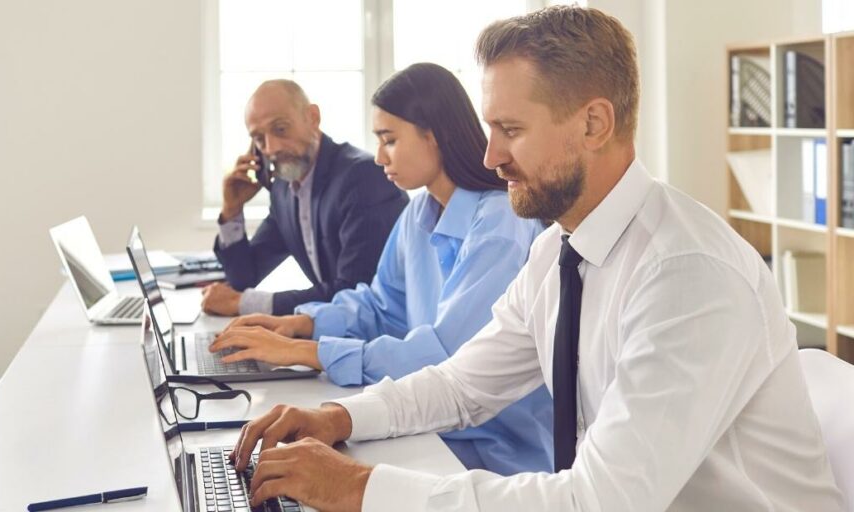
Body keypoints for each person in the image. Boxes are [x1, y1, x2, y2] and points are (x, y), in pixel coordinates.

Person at [225, 6, 846, 512]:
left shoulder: (687, 274)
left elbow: (601, 501)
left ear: (594, 123)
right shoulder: (560, 250)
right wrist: (335, 417)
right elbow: (462, 384)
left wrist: (359, 488)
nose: (490, 156)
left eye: (511, 130)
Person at [210, 63, 553, 476]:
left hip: (493, 449)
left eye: (389, 140)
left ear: (435, 135)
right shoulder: (419, 213)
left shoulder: (500, 224)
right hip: (426, 426)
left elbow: (448, 359)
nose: (378, 156)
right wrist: (300, 324)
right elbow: (380, 306)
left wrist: (311, 352)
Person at [203, 80, 408, 317]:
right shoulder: (283, 188)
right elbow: (244, 278)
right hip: (337, 332)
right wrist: (232, 209)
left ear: (312, 117)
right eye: (259, 138)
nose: (271, 148)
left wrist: (245, 304)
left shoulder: (363, 178)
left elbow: (353, 292)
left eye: (280, 129)